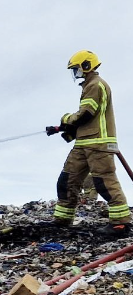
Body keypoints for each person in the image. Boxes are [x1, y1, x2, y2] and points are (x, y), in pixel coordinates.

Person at [47, 50, 131, 236]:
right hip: (84, 142)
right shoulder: (89, 85)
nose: (75, 73)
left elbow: (86, 113)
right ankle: (63, 219)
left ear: (87, 66)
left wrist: (66, 118)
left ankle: (120, 224)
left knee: (103, 182)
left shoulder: (95, 85)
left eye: (76, 69)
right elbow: (85, 119)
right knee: (67, 180)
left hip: (99, 143)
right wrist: (63, 129)